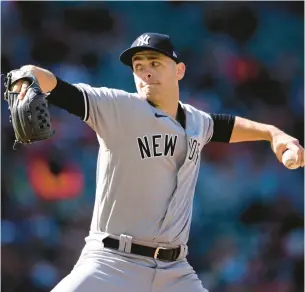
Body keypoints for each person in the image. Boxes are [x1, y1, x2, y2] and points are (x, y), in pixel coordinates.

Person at [10, 33, 304, 292]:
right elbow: (61, 90)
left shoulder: (196, 121)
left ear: (179, 70)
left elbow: (226, 126)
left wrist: (272, 134)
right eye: (139, 66)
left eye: (155, 63)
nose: (146, 72)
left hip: (174, 271)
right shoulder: (118, 107)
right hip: (113, 262)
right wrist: (27, 74)